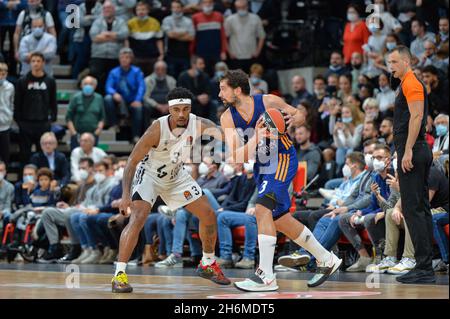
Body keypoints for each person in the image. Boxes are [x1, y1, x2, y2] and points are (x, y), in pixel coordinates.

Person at [219, 70, 341, 291]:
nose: (220, 93)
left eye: (223, 88)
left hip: (283, 158)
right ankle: (326, 259)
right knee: (279, 220)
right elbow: (236, 156)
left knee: (262, 209)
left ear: (237, 90)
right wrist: (257, 137)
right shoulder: (227, 117)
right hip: (262, 166)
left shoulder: (268, 101)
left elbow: (301, 115)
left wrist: (294, 118)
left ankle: (266, 276)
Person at [111, 87, 231, 293]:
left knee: (209, 214)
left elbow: (223, 134)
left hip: (176, 176)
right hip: (149, 176)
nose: (182, 114)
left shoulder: (199, 123)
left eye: (186, 109)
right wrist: (125, 195)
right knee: (138, 218)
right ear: (170, 110)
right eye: (177, 110)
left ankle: (208, 264)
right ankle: (119, 275)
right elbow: (131, 161)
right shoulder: (156, 129)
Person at [387, 45, 435, 283]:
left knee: (414, 211)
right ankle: (425, 265)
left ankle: (424, 267)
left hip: (414, 152)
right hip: (415, 151)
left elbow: (417, 117)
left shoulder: (411, 82)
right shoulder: (405, 83)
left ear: (406, 62)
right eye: (389, 63)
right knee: (420, 210)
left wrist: (406, 150)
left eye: (394, 62)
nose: (391, 67)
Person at [338, 144, 392, 272]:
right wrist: (360, 212)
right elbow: (373, 205)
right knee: (344, 218)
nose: (376, 161)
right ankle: (364, 257)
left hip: (389, 212)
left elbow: (392, 203)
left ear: (388, 159)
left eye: (379, 157)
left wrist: (377, 212)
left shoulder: (394, 177)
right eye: (374, 158)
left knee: (368, 218)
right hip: (379, 211)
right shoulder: (376, 177)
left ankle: (380, 256)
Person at [39, 157, 96, 263]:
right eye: (80, 168)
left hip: (87, 212)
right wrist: (67, 206)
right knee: (47, 212)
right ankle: (55, 247)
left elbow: (92, 204)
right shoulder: (81, 185)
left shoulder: (95, 184)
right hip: (74, 210)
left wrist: (71, 208)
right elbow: (75, 203)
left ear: (92, 168)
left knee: (70, 214)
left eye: (84, 168)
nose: (81, 171)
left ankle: (76, 247)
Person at [69, 161, 117, 264]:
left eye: (101, 171)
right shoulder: (95, 186)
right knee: (74, 217)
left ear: (108, 171)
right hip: (95, 211)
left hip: (106, 212)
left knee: (83, 217)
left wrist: (94, 209)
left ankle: (99, 249)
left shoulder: (112, 184)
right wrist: (82, 207)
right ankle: (88, 249)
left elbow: (108, 205)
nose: (98, 173)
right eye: (96, 171)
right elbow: (87, 203)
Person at [14, 51, 56, 165]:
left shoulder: (50, 81)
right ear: (30, 63)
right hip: (26, 123)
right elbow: (17, 103)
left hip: (42, 122)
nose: (35, 64)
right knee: (24, 153)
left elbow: (53, 101)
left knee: (42, 154)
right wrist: (19, 121)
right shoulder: (22, 81)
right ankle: (23, 178)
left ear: (43, 63)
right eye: (33, 61)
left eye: (38, 61)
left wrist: (51, 119)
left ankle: (42, 178)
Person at [104, 48, 146, 143]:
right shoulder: (114, 72)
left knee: (139, 108)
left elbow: (141, 87)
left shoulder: (137, 72)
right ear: (119, 59)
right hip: (119, 100)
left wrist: (138, 100)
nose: (124, 59)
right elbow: (108, 87)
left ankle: (136, 135)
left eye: (127, 57)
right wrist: (114, 93)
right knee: (108, 98)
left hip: (132, 100)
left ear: (131, 59)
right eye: (122, 57)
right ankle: (114, 125)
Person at [89, 0, 129, 94]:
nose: (107, 10)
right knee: (97, 81)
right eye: (105, 8)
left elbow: (124, 34)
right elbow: (94, 37)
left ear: (114, 10)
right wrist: (114, 37)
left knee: (113, 82)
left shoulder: (121, 21)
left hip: (114, 57)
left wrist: (105, 35)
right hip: (98, 56)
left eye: (109, 8)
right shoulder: (97, 21)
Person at [224, 0, 265, 73]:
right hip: (236, 56)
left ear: (247, 6)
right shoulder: (230, 19)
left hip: (251, 56)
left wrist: (258, 51)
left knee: (251, 81)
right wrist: (229, 52)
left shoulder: (255, 18)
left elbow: (262, 36)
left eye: (243, 7)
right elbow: (224, 37)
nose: (241, 9)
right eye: (238, 8)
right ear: (235, 8)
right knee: (236, 81)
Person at [66, 75, 105, 150]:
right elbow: (68, 117)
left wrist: (97, 132)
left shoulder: (99, 98)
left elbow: (102, 117)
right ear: (81, 85)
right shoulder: (75, 97)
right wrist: (74, 133)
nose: (88, 86)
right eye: (85, 83)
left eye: (91, 84)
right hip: (77, 135)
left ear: (95, 86)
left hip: (93, 135)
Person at [127, 1, 164, 76]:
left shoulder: (155, 22)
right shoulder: (130, 23)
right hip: (136, 57)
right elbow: (127, 40)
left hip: (152, 57)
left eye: (143, 9)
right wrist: (129, 53)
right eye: (139, 10)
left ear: (148, 11)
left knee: (151, 79)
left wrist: (161, 54)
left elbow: (159, 40)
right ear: (136, 11)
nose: (141, 12)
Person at [191, 0, 227, 76]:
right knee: (203, 75)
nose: (207, 4)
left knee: (219, 76)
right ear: (201, 4)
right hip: (201, 52)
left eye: (210, 2)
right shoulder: (195, 17)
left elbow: (223, 35)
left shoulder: (219, 16)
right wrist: (192, 52)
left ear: (213, 4)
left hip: (217, 52)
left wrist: (223, 51)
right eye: (205, 2)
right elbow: (193, 37)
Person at [161, 0, 195, 79]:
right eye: (174, 7)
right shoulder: (166, 20)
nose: (176, 9)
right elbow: (170, 35)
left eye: (178, 7)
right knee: (172, 78)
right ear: (171, 9)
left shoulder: (188, 21)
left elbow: (191, 37)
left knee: (185, 79)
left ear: (182, 8)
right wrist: (185, 32)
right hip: (171, 55)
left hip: (185, 55)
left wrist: (175, 33)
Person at [71, 0, 102, 79]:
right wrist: (92, 19)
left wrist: (88, 17)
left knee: (90, 61)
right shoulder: (80, 7)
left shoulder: (100, 6)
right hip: (81, 38)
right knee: (81, 60)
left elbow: (100, 20)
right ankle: (75, 79)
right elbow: (78, 22)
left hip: (95, 38)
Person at [177, 55, 214, 120]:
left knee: (213, 104)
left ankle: (212, 127)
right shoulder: (182, 76)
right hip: (189, 102)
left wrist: (206, 96)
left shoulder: (205, 76)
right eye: (200, 64)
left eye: (203, 64)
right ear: (193, 65)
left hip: (203, 102)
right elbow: (181, 95)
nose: (203, 66)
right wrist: (197, 98)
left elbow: (209, 91)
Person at [143, 60, 177, 127]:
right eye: (157, 69)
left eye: (162, 69)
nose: (160, 72)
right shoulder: (148, 80)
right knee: (145, 108)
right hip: (153, 106)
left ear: (166, 70)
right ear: (154, 70)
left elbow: (175, 96)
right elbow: (145, 97)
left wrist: (168, 106)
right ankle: (147, 133)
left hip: (167, 106)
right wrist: (157, 106)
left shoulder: (171, 80)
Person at [0, 63, 14, 165]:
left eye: (4, 73)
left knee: (5, 154)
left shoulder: (10, 87)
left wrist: (10, 117)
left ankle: (4, 179)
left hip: (5, 125)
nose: (1, 76)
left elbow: (12, 104)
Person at [0, 161, 14, 229]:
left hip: (3, 216)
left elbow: (8, 206)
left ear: (5, 172)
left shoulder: (9, 187)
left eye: (1, 170)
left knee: (8, 215)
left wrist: (1, 213)